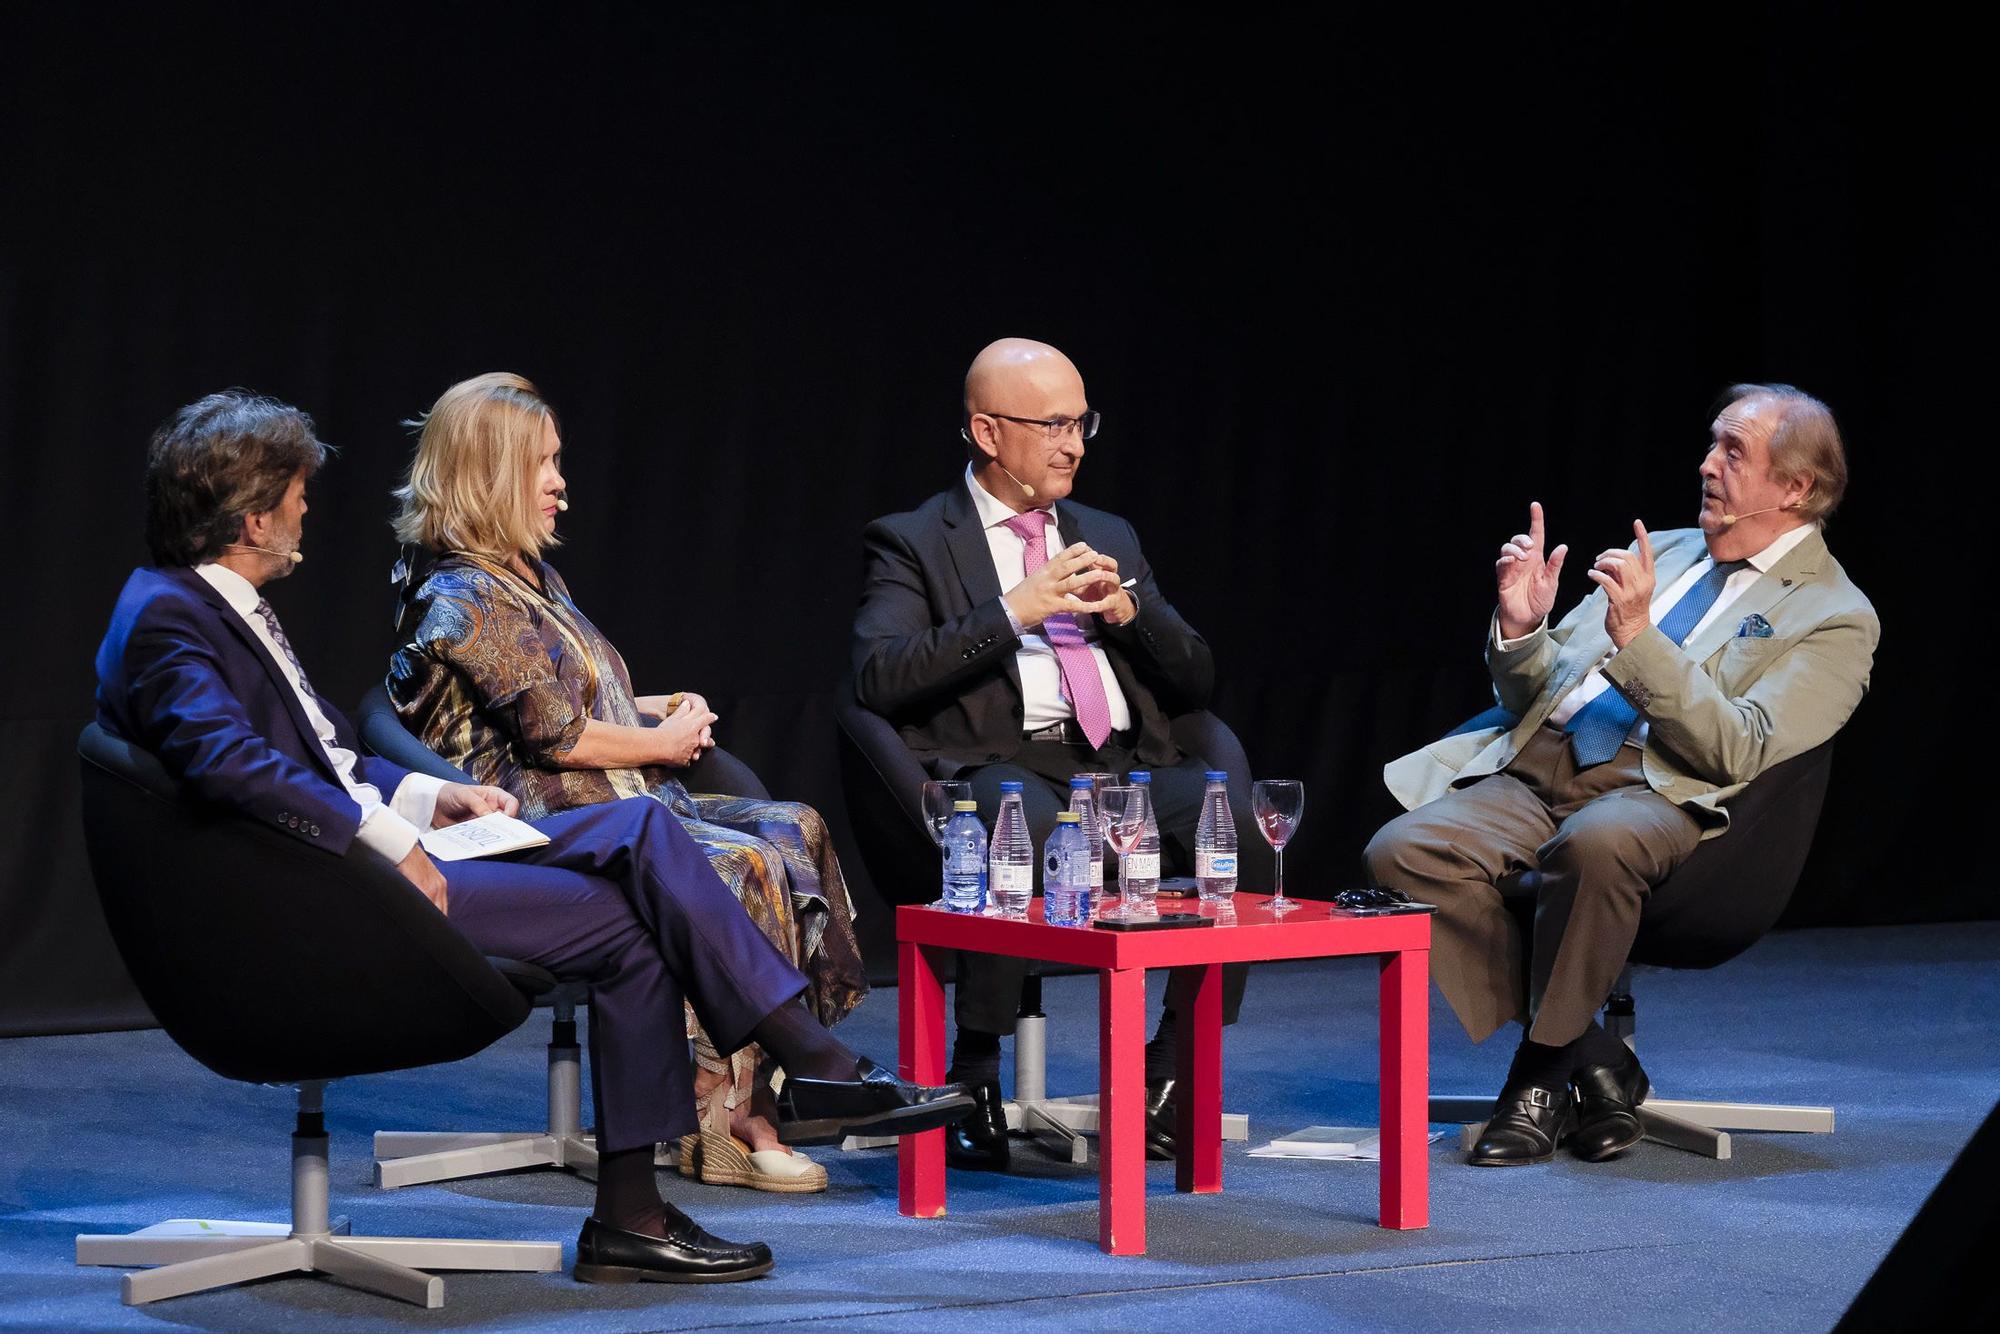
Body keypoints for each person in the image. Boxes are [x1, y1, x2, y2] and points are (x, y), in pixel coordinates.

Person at [97, 390, 971, 1283]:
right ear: (253, 517)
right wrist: (388, 839)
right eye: (295, 493)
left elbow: (337, 755)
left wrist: (436, 799)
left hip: (371, 861)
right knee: (639, 883)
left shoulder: (213, 606)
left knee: (638, 872)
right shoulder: (173, 621)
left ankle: (663, 1192)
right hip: (324, 896)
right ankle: (797, 1079)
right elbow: (233, 768)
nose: (306, 507)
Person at [1365, 384, 1878, 1167]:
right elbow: (1536, 694)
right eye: (1712, 444)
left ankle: (1538, 1076)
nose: (1707, 465)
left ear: (1796, 486)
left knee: (1596, 846)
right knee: (1400, 854)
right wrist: (1522, 627)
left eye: (1733, 452)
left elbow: (1741, 747)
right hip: (1541, 765)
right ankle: (1596, 1057)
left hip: (1661, 789)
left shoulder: (1834, 614)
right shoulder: (1664, 551)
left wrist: (1640, 639)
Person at [384, 372, 865, 1194]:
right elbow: (554, 735)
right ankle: (728, 1119)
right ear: (491, 472)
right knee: (735, 863)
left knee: (794, 827)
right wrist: (663, 740)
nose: (560, 483)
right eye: (543, 463)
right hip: (529, 811)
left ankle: (787, 1085)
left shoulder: (531, 576)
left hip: (607, 792)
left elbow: (564, 696)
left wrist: (659, 707)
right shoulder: (464, 592)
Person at [852, 337, 1262, 1170]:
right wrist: (1014, 611)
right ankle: (973, 1076)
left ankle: (1171, 1071)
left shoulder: (1106, 531)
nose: (1074, 444)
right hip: (1003, 766)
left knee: (1240, 828)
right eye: (1053, 425)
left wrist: (1127, 613)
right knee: (1024, 823)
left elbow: (1197, 680)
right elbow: (877, 676)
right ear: (988, 432)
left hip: (1119, 769)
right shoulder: (914, 541)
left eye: (1082, 422)